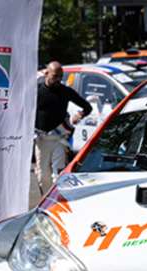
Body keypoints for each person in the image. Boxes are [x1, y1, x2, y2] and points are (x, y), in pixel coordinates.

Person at [34, 61, 92, 193]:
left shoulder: (65, 92)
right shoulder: (36, 90)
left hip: (59, 140)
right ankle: (45, 202)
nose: (59, 80)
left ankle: (57, 203)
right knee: (43, 178)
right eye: (55, 76)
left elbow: (87, 106)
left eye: (61, 76)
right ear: (46, 74)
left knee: (58, 177)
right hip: (41, 140)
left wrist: (80, 115)